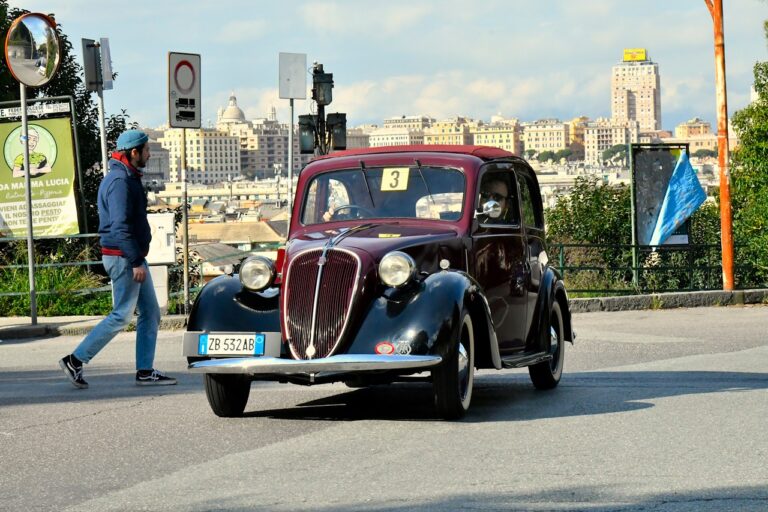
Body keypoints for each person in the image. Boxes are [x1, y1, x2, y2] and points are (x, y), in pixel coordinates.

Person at [59, 130, 176, 389]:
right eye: (146, 150)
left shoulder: (126, 177)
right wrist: (135, 261)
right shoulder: (120, 182)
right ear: (134, 152)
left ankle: (145, 371)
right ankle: (75, 360)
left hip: (131, 256)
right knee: (122, 315)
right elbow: (119, 227)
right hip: (124, 258)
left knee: (151, 313)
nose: (149, 154)